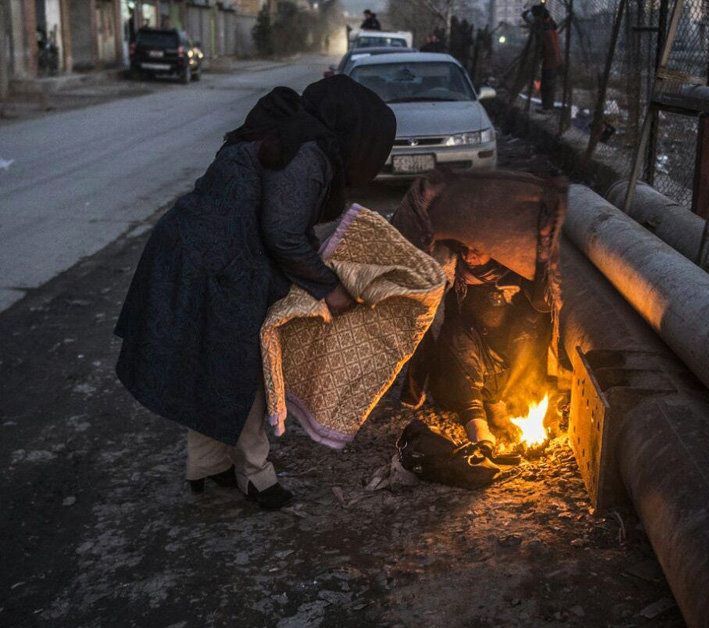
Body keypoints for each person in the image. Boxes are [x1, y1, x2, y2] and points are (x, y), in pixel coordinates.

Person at [114, 76, 396, 510]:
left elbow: (276, 220)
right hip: (219, 264)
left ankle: (206, 465)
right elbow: (282, 233)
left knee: (209, 363)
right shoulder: (310, 152)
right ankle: (257, 476)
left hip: (193, 250)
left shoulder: (285, 130)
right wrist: (328, 287)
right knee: (244, 371)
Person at [428, 246, 551, 452]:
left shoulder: (516, 272)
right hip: (468, 365)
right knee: (456, 333)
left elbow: (539, 317)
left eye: (476, 248)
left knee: (529, 326)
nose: (469, 256)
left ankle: (504, 405)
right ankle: (479, 428)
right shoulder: (454, 274)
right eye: (464, 249)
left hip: (508, 368)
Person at [523, 4, 562, 110]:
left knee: (546, 86)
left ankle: (547, 108)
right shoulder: (550, 23)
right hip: (554, 59)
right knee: (548, 85)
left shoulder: (544, 28)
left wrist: (527, 16)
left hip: (550, 60)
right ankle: (548, 107)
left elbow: (534, 26)